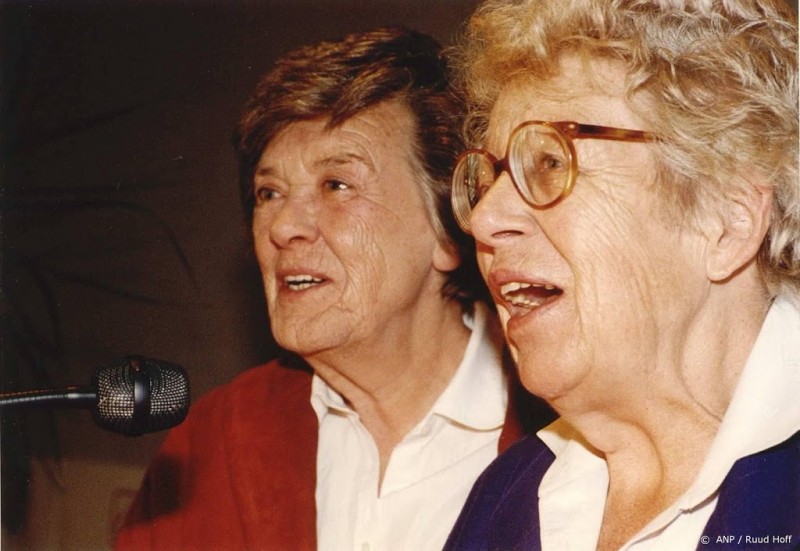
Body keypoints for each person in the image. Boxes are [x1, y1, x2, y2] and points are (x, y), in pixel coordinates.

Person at [115, 26, 553, 551]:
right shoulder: (215, 441)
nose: (283, 227)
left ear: (446, 230)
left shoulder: (567, 436)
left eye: (336, 185)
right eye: (269, 192)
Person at [443, 0, 800, 549]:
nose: (485, 218)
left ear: (726, 222)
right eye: (490, 178)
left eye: (550, 163)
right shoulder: (503, 502)